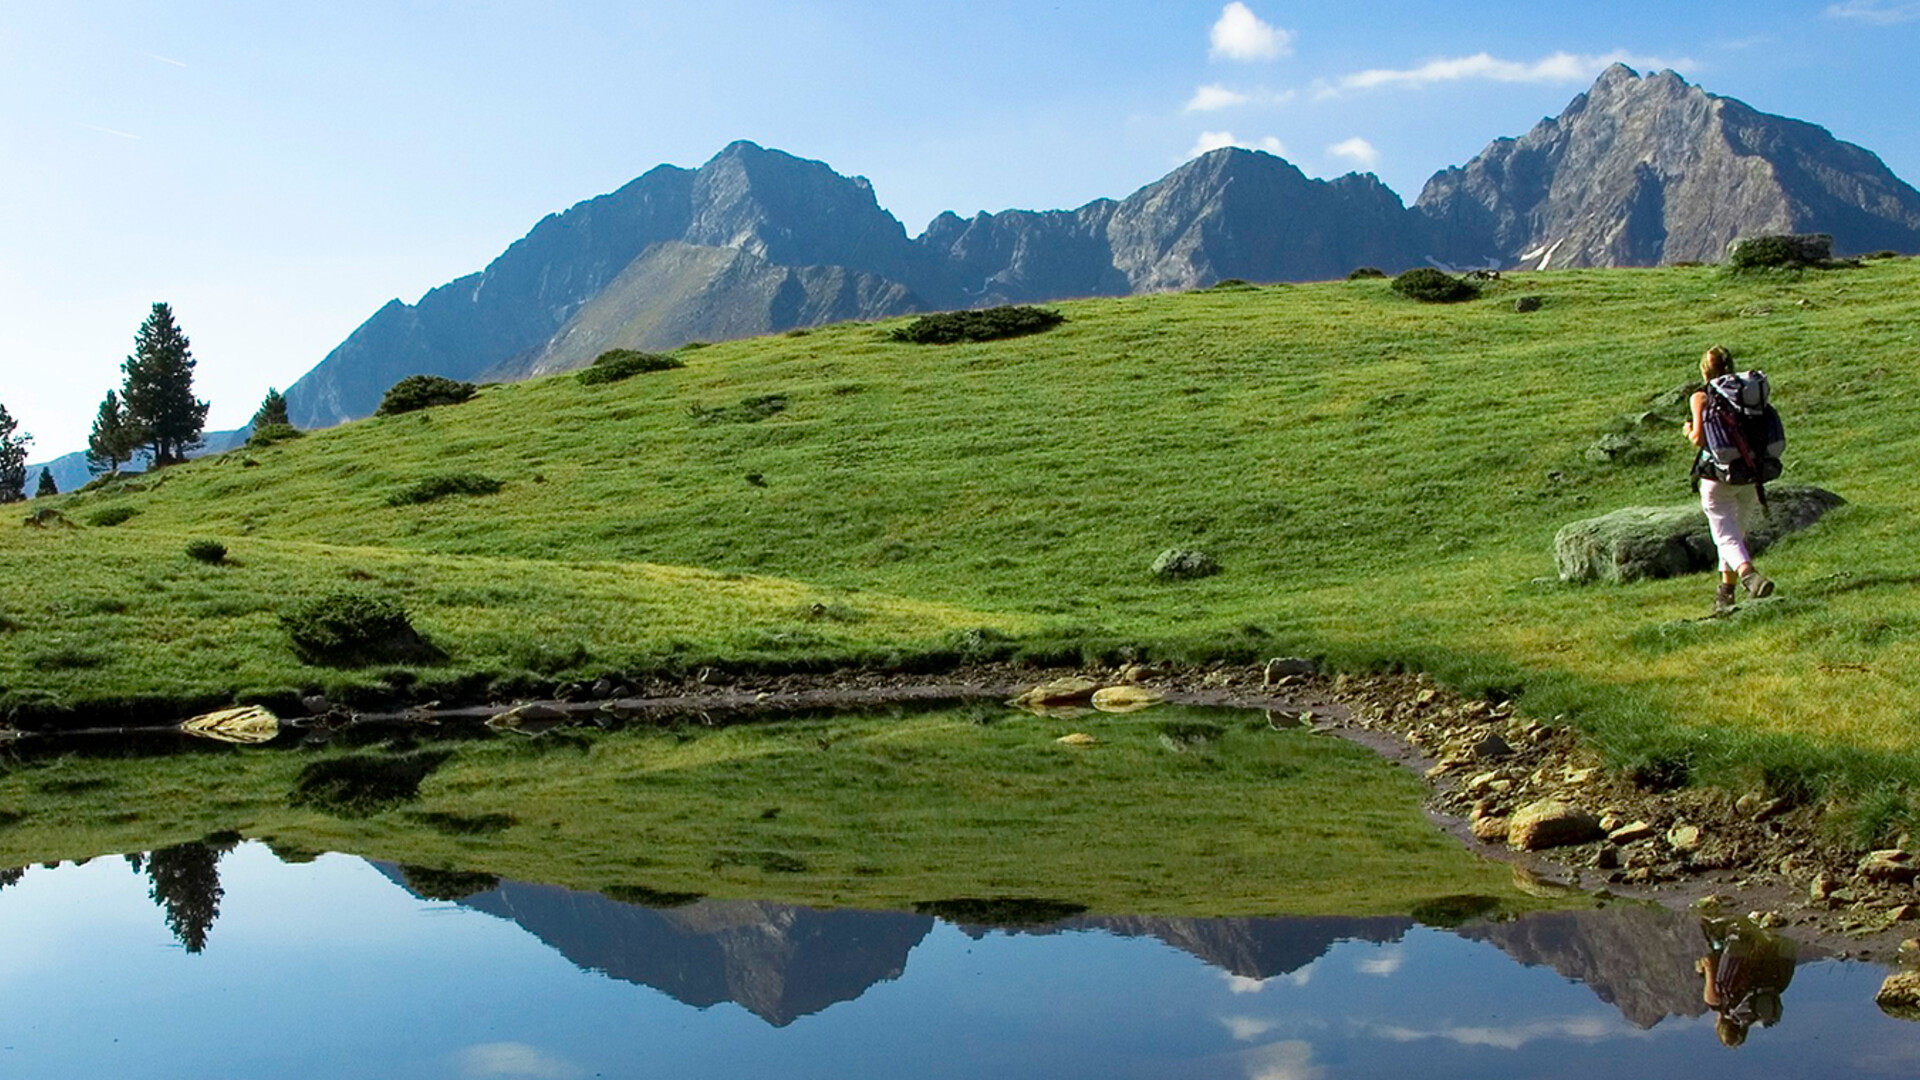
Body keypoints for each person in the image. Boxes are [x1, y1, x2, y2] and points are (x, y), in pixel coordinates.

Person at [1684, 346, 1774, 616]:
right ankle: (1725, 594)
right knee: (1736, 535)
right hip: (1749, 474)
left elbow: (1699, 439)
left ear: (1704, 370)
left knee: (1724, 536)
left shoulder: (1701, 396)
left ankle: (1750, 577)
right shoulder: (1745, 395)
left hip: (1717, 476)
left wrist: (1688, 431)